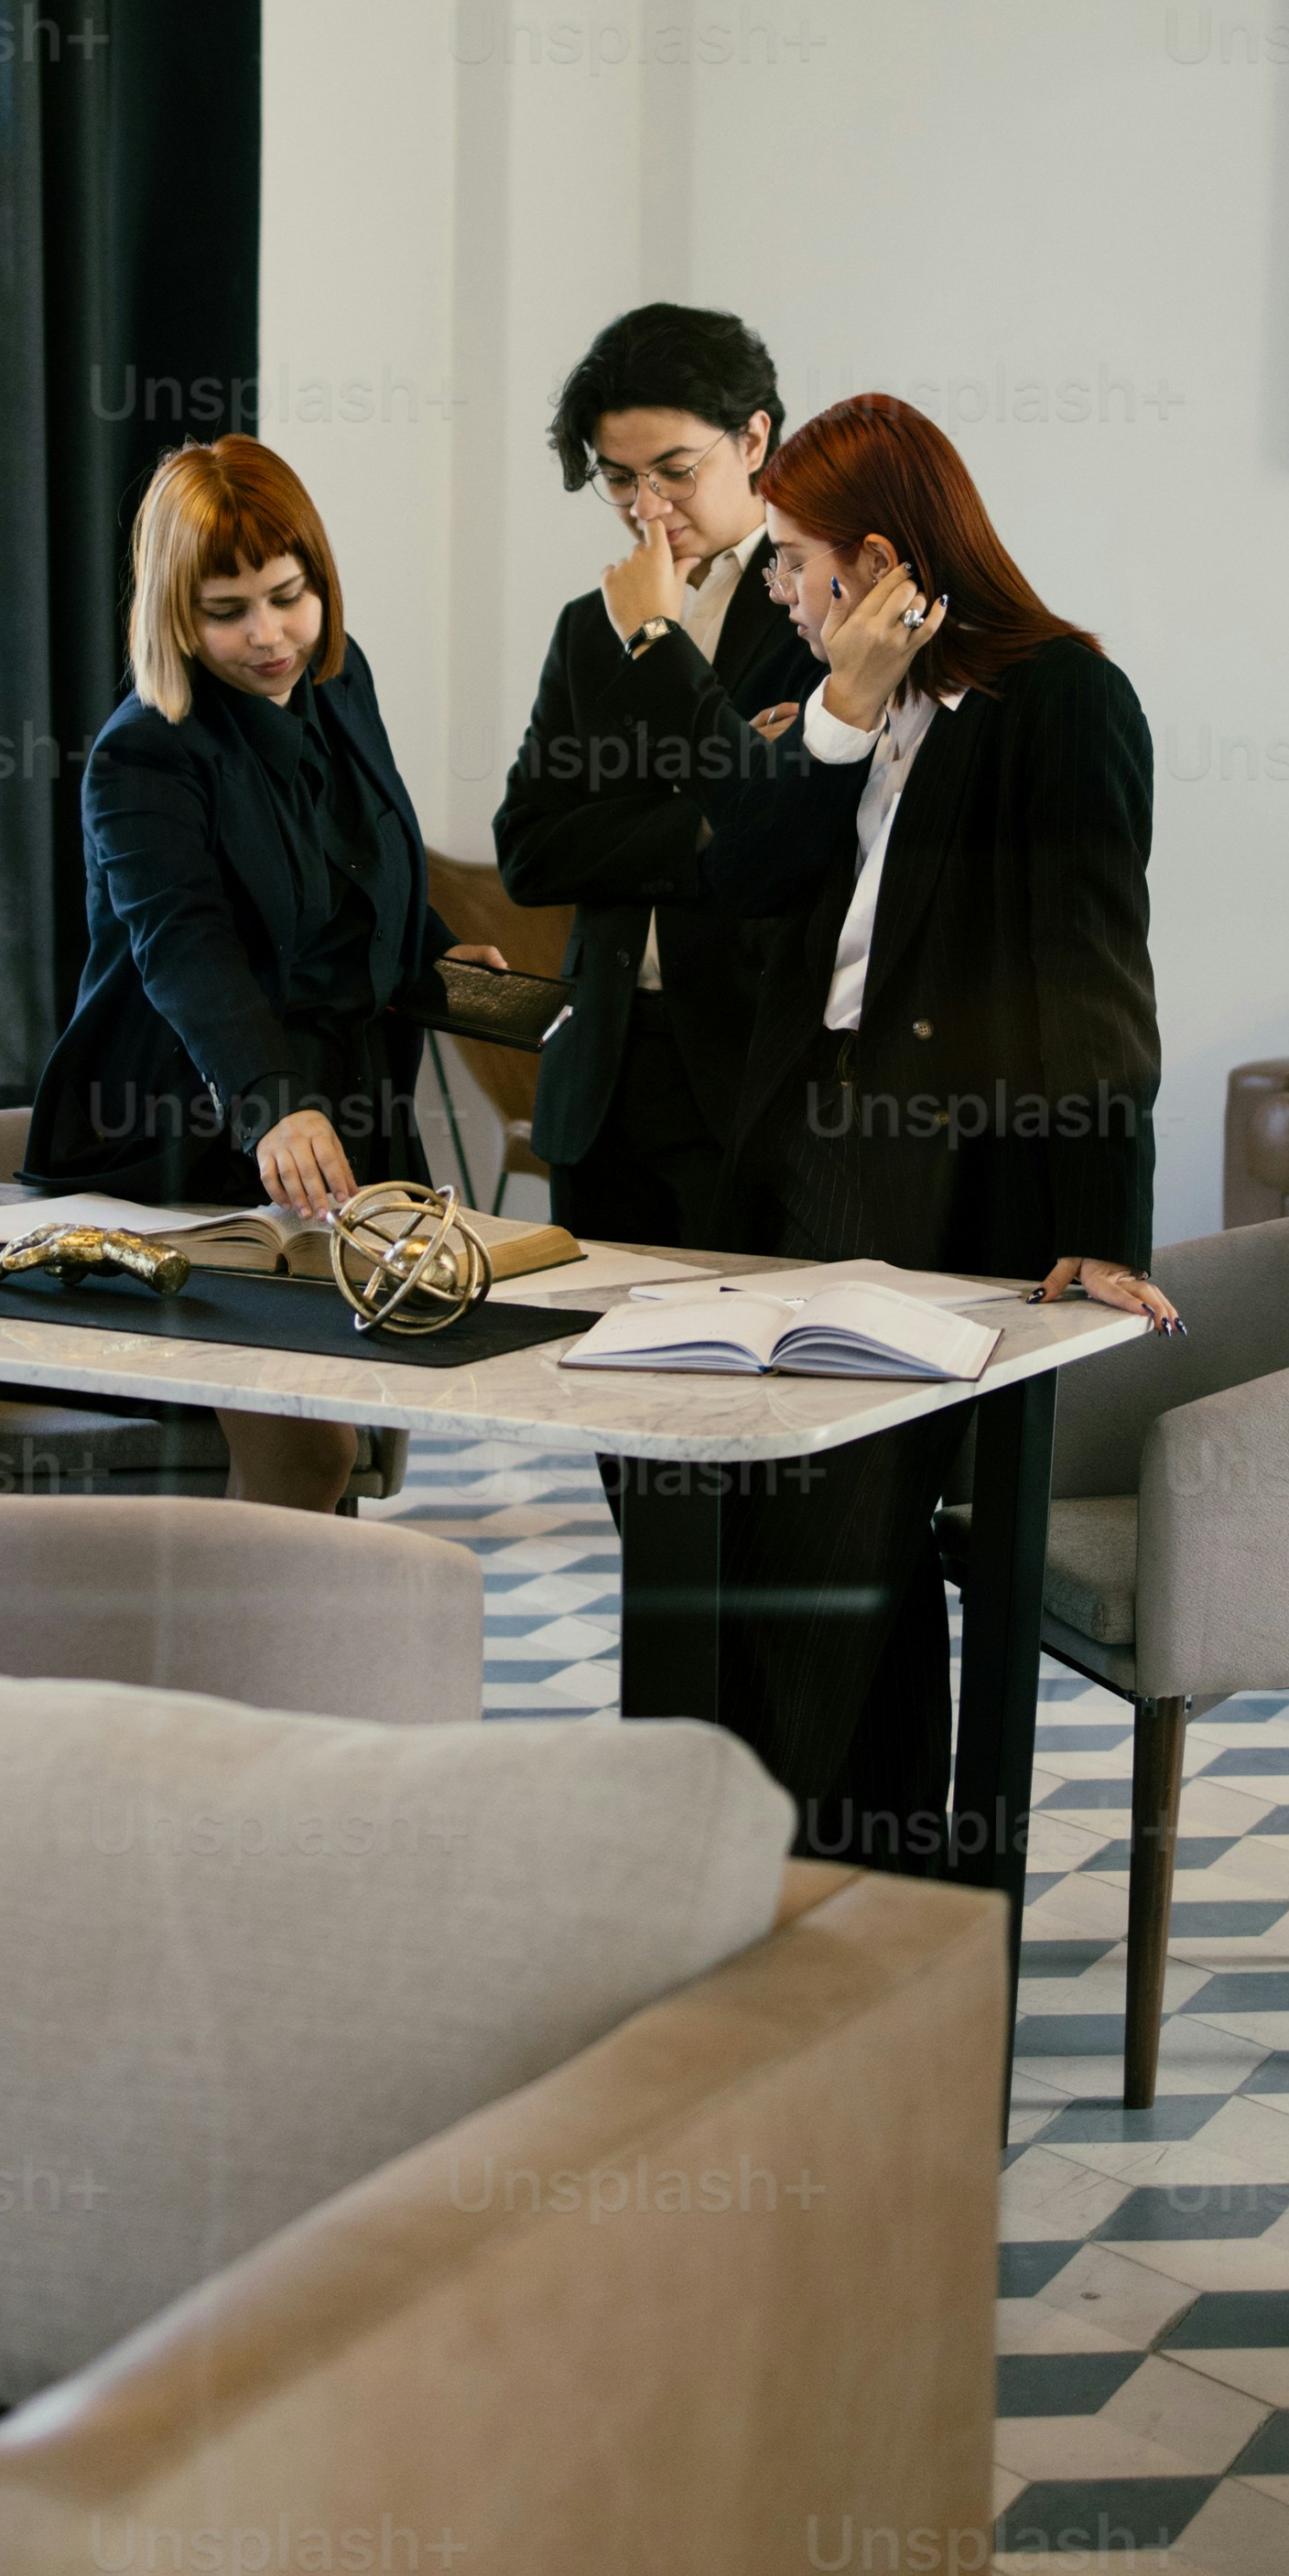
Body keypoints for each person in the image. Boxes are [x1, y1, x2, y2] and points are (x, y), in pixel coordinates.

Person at [694, 390, 1176, 1857]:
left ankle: (828, 1891)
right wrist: (835, 715)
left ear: (882, 557)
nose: (773, 584)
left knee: (832, 1530)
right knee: (780, 1532)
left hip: (932, 1162)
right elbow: (736, 890)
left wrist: (1099, 1233)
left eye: (792, 555)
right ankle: (851, 1871)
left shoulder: (1063, 703)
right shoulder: (818, 680)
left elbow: (1095, 982)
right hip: (792, 1150)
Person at [24, 434, 482, 1514]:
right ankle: (243, 1683)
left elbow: (361, 854)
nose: (268, 634)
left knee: (343, 1422)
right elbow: (184, 945)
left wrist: (434, 947)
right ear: (173, 613)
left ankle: (297, 1672)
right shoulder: (144, 753)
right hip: (189, 1133)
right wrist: (271, 1107)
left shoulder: (339, 674)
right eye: (227, 610)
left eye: (287, 595)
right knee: (307, 1453)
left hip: (340, 1110)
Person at [491, 303, 814, 1249]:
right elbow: (529, 851)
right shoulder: (585, 625)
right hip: (602, 1071)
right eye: (618, 478)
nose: (647, 506)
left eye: (675, 469)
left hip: (752, 1066)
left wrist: (658, 642)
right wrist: (704, 820)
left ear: (753, 436)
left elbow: (792, 834)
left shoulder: (819, 606)